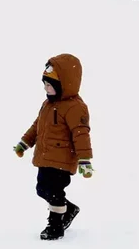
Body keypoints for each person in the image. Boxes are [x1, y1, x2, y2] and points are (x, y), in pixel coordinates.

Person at [13, 54, 93, 241]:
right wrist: (25, 143)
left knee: (55, 192)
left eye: (50, 85)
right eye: (45, 85)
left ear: (64, 85)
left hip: (63, 160)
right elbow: (37, 126)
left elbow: (81, 135)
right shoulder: (47, 105)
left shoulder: (75, 108)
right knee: (42, 189)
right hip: (45, 157)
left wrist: (84, 160)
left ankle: (55, 226)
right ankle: (69, 209)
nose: (46, 89)